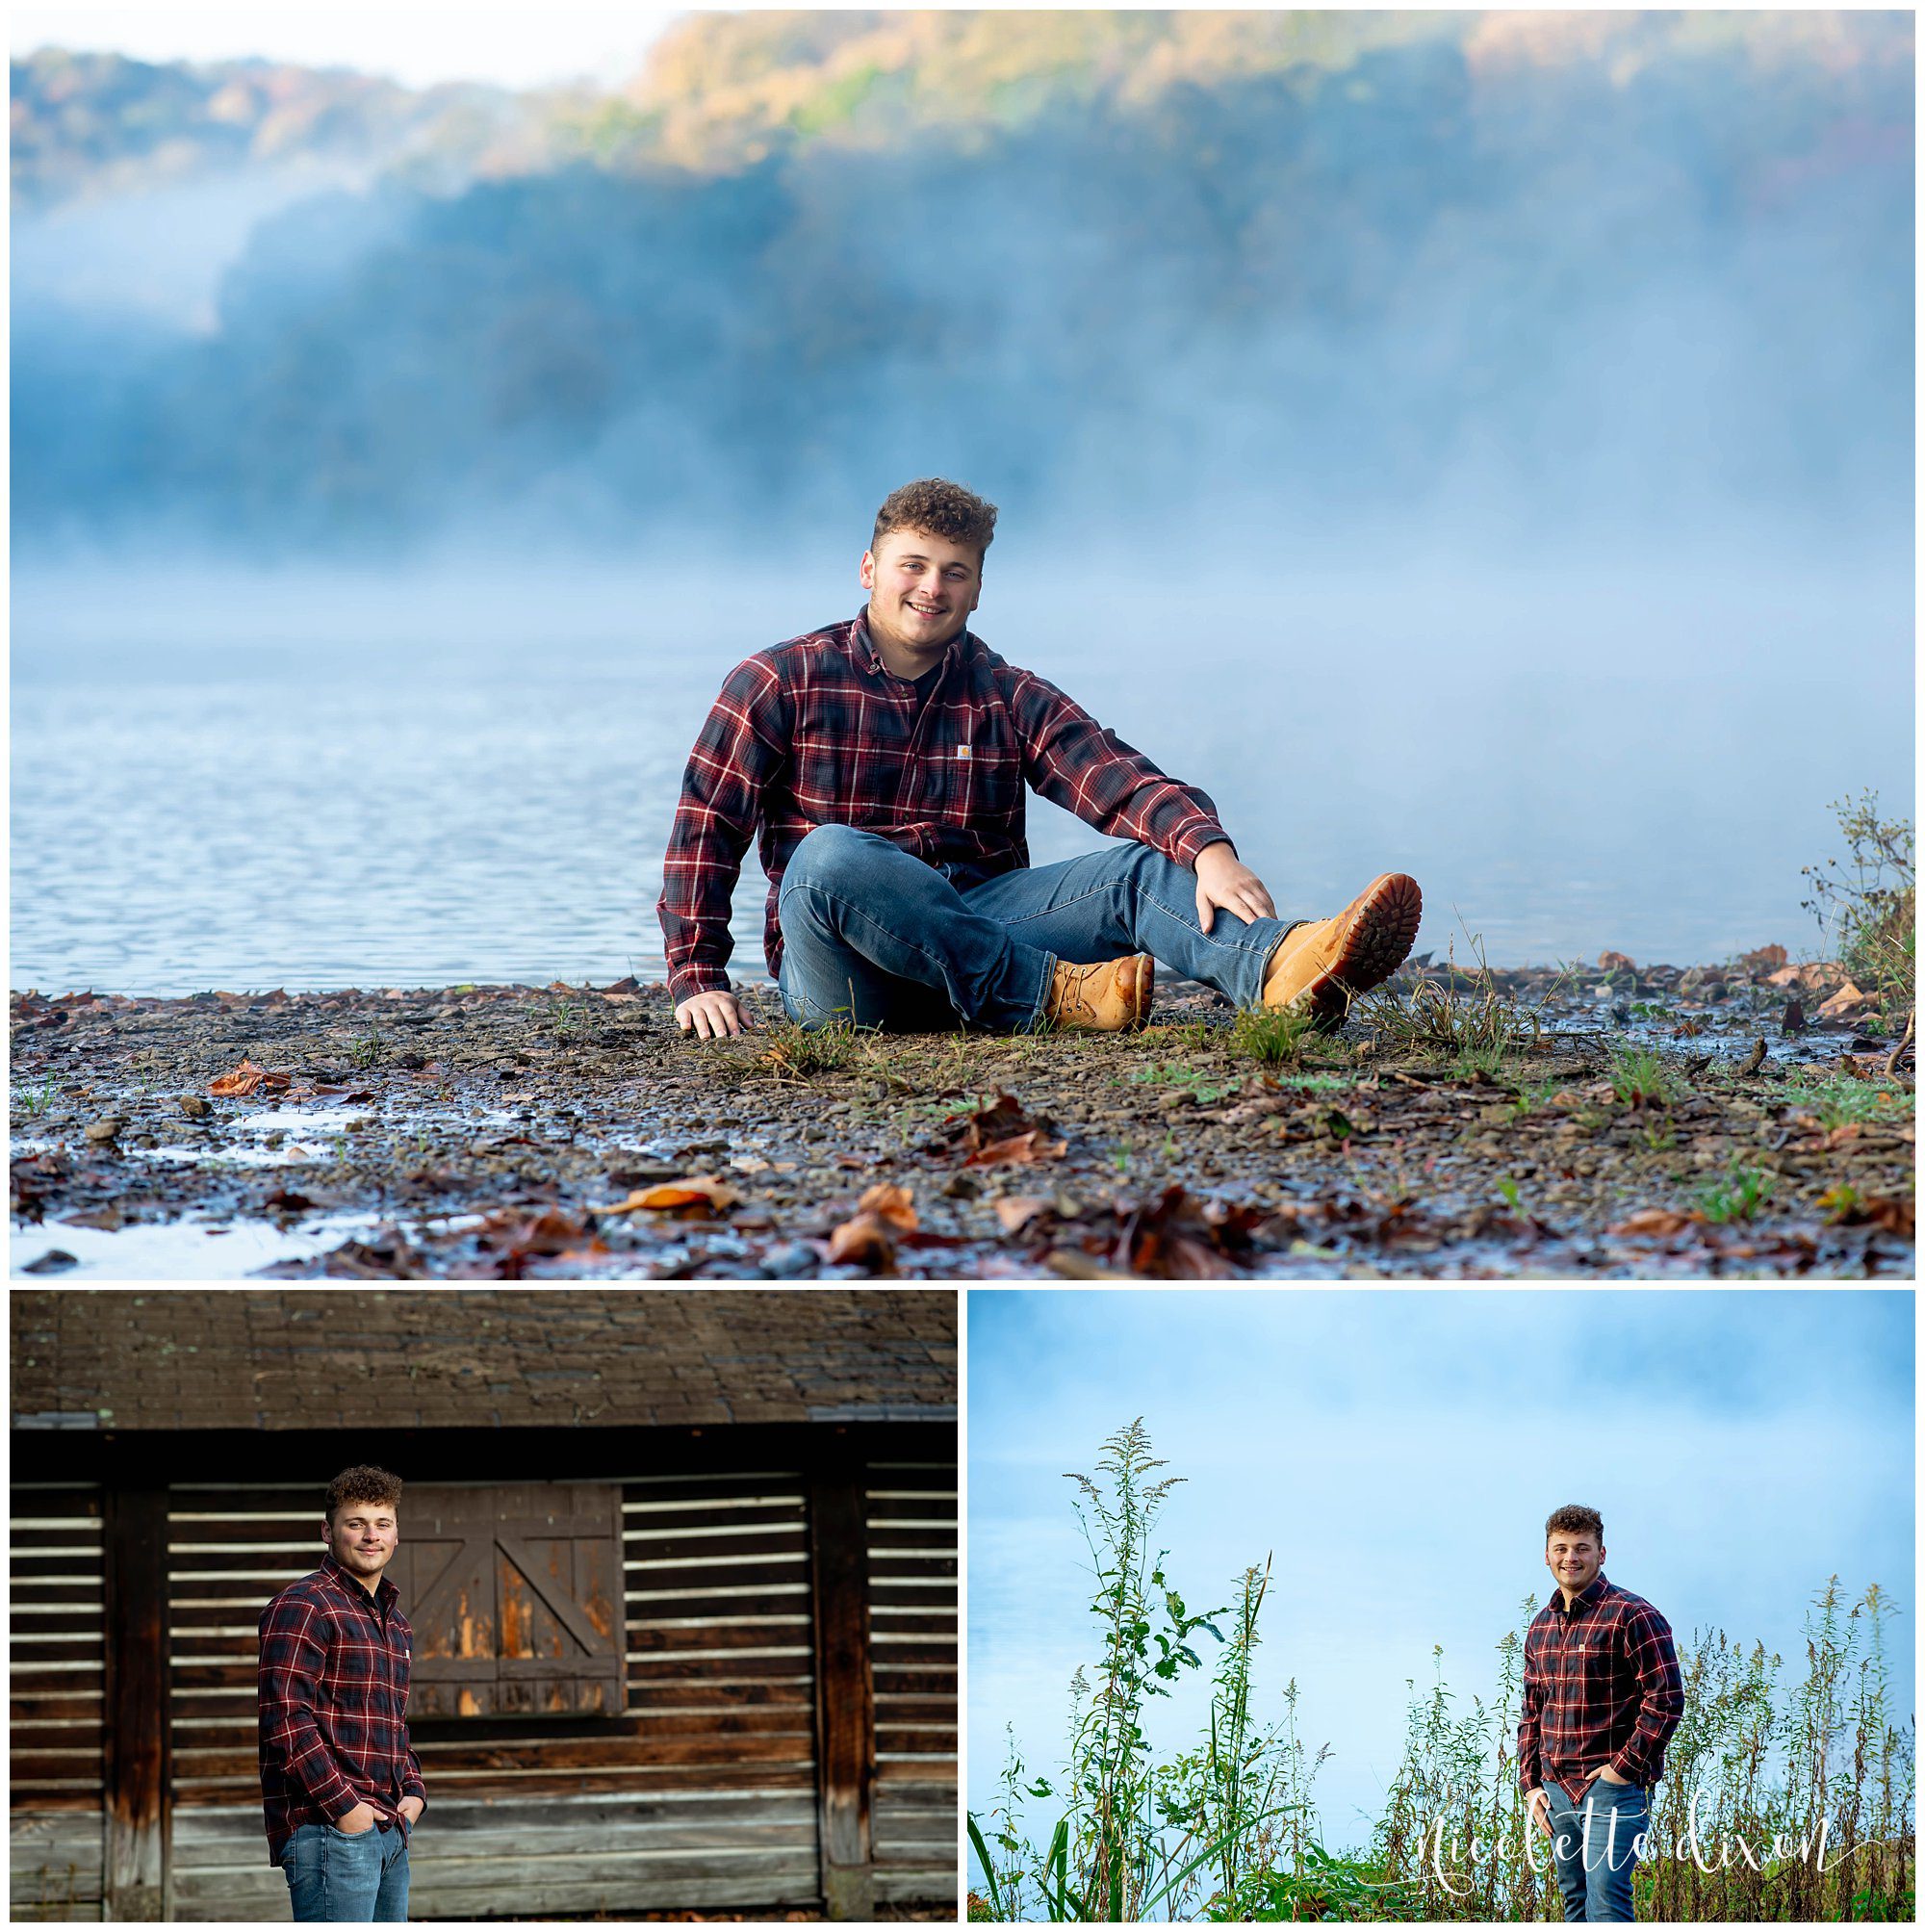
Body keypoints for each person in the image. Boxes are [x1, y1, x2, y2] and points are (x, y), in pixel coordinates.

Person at [659, 477, 1422, 1038]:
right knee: (826, 858)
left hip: (985, 925)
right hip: (851, 983)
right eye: (913, 565)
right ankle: (1053, 996)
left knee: (1137, 868)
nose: (932, 587)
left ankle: (1277, 966)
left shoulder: (1005, 692)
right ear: (869, 569)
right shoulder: (778, 678)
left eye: (955, 571)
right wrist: (697, 977)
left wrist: (1210, 848)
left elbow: (1113, 774)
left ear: (979, 588)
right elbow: (706, 828)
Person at [258, 1466, 425, 1923]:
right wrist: (347, 1810)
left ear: (396, 1534)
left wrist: (414, 1790)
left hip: (391, 1827)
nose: (371, 1536)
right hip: (329, 1830)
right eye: (356, 1524)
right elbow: (286, 1720)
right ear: (328, 1532)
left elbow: (392, 1721)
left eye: (382, 1524)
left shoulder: (396, 1624)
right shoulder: (304, 1605)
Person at [1518, 1506, 1684, 1922]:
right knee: (1574, 1902)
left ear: (1601, 1553)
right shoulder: (1541, 1626)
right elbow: (1532, 1710)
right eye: (1561, 1548)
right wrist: (1530, 1785)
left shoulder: (1633, 1615)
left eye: (1581, 1548)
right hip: (1557, 1791)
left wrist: (1620, 1771)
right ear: (1546, 1555)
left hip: (1612, 1790)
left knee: (1607, 1901)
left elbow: (1665, 1700)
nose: (1570, 1557)